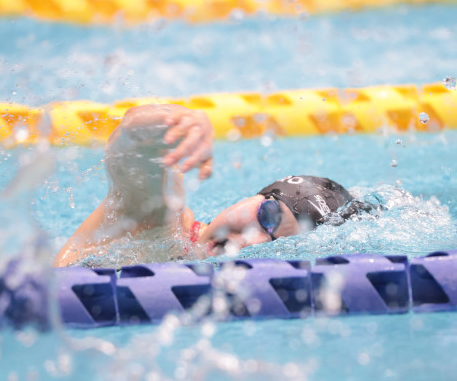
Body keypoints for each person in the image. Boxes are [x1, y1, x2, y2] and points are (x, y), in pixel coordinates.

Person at [53, 103, 380, 267]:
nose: (250, 240)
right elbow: (129, 146)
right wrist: (181, 121)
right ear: (256, 196)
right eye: (267, 215)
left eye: (274, 245)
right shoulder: (163, 218)